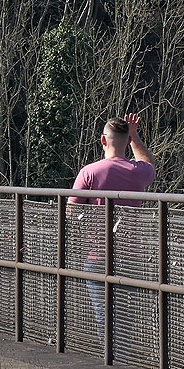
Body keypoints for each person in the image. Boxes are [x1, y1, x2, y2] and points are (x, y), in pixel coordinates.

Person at [68, 113, 155, 327]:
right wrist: (134, 135)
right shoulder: (138, 172)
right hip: (129, 257)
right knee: (125, 319)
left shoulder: (89, 172)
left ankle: (109, 358)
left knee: (103, 315)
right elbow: (148, 163)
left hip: (97, 255)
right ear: (127, 142)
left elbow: (70, 211)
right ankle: (122, 356)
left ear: (103, 140)